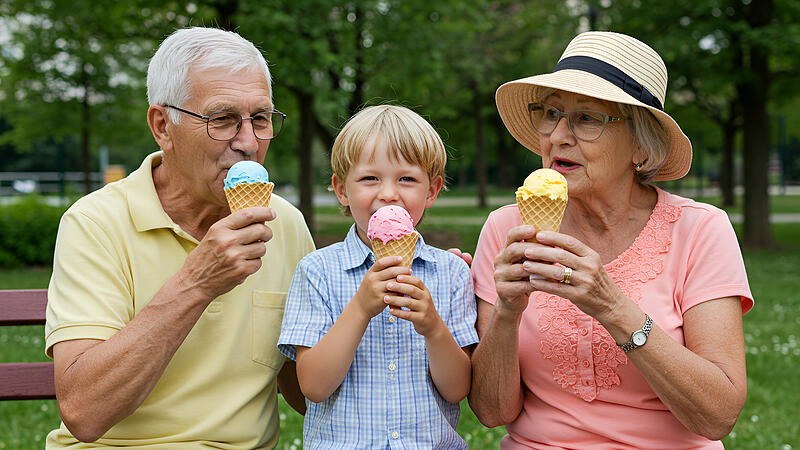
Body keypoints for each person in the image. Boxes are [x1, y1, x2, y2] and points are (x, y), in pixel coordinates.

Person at [468, 31, 753, 449]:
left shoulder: (700, 229)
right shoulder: (507, 227)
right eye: (550, 113)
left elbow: (717, 416)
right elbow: (492, 413)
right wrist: (507, 312)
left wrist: (612, 307)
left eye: (586, 118)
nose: (558, 136)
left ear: (640, 144)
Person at [44, 27, 314, 447]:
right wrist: (197, 283)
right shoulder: (94, 223)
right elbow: (84, 412)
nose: (247, 142)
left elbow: (307, 392)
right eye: (222, 119)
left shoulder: (286, 223)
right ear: (163, 127)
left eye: (260, 119)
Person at [277, 105, 478, 448]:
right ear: (342, 190)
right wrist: (359, 309)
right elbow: (312, 386)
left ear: (431, 191)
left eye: (407, 179)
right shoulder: (317, 271)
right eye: (370, 178)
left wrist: (432, 326)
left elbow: (457, 389)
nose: (388, 193)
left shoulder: (452, 273)